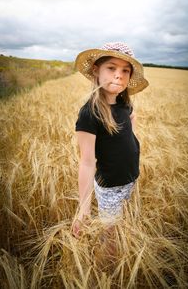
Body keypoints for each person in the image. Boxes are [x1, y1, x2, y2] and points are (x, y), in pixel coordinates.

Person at [72, 42, 149, 238]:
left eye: (125, 70)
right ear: (96, 70)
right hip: (110, 186)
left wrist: (132, 144)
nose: (119, 75)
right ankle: (103, 268)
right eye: (112, 68)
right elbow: (87, 163)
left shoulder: (124, 104)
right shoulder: (91, 113)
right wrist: (83, 209)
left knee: (123, 225)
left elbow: (131, 119)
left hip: (130, 178)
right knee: (111, 237)